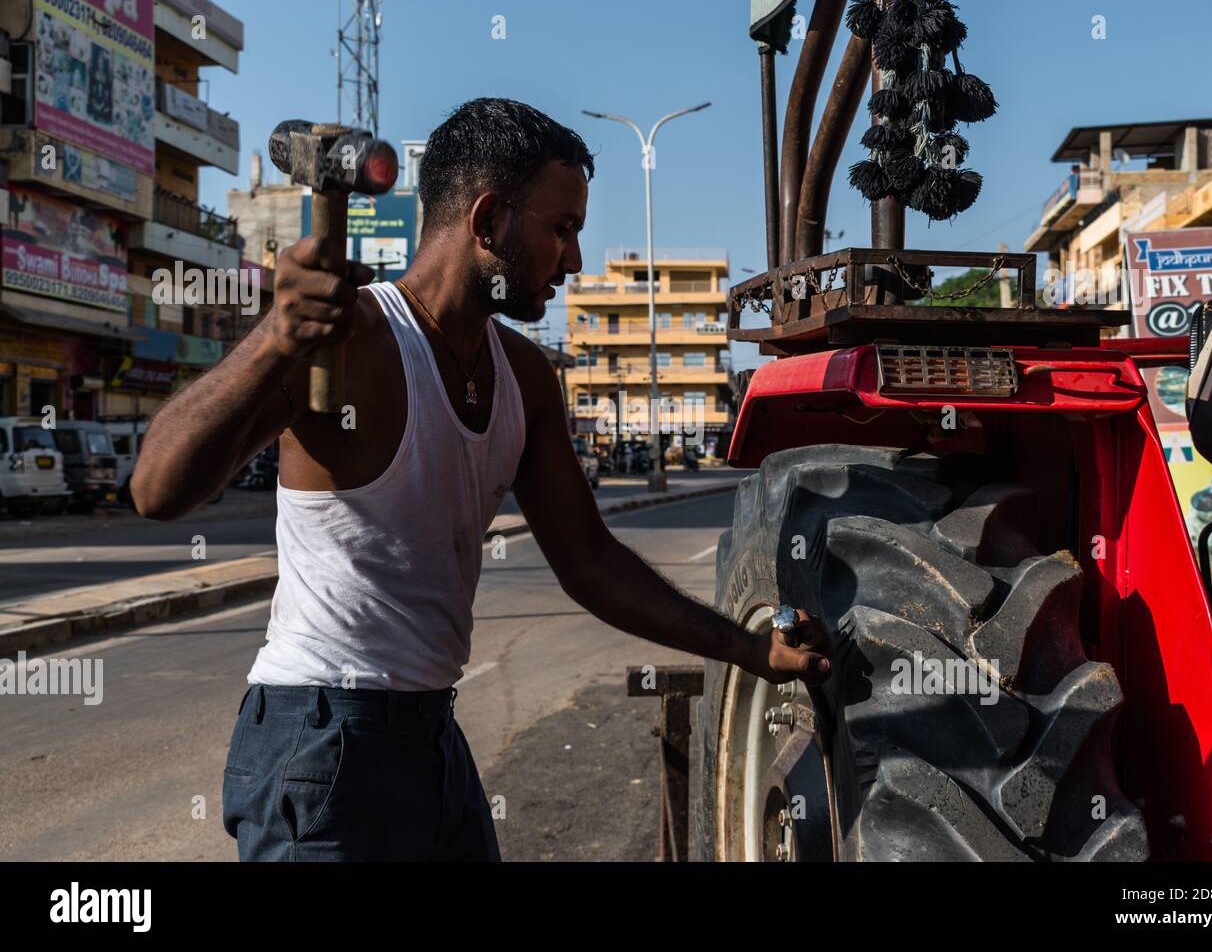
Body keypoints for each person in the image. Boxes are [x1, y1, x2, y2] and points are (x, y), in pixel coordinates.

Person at [130, 98, 831, 862]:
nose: (575, 261)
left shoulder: (525, 377)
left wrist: (749, 649)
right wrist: (275, 337)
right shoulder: (352, 339)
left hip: (432, 740)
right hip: (319, 739)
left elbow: (590, 562)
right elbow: (157, 490)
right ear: (489, 219)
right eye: (561, 230)